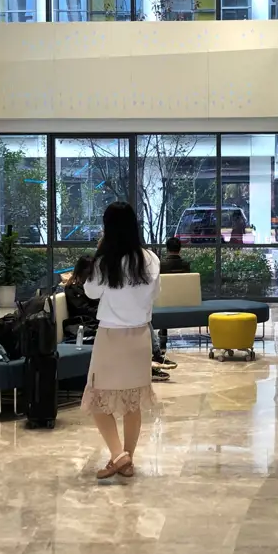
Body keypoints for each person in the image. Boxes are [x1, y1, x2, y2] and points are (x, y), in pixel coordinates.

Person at [81, 201, 161, 481]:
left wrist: (100, 252)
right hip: (140, 336)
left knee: (97, 401)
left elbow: (90, 293)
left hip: (111, 337)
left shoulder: (106, 261)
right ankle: (126, 459)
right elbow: (153, 295)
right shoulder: (150, 259)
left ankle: (118, 455)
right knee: (132, 403)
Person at [154, 237, 190, 359]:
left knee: (163, 299)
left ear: (167, 249)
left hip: (164, 300)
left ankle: (163, 332)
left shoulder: (161, 265)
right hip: (184, 298)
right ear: (180, 249)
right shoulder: (186, 265)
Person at [62, 255, 99, 342]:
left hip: (93, 320)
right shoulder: (72, 288)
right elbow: (83, 309)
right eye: (92, 271)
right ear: (83, 270)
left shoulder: (90, 286)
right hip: (84, 323)